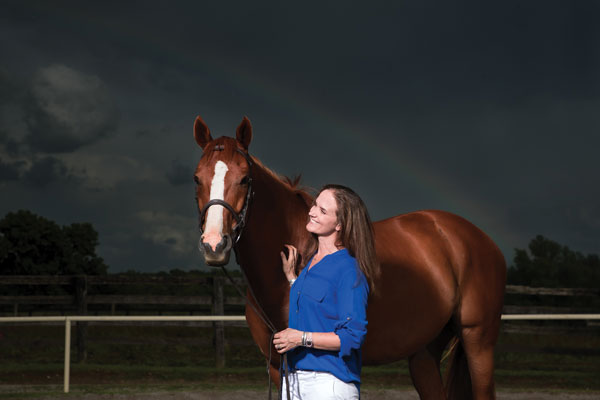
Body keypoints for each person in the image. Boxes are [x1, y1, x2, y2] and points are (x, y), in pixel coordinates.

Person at [273, 184, 379, 400]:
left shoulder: (350, 270)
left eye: (322, 210)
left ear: (340, 224)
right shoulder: (311, 262)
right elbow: (317, 309)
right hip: (293, 379)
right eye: (315, 205)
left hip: (328, 383)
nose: (312, 211)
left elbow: (352, 337)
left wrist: (300, 338)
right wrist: (294, 280)